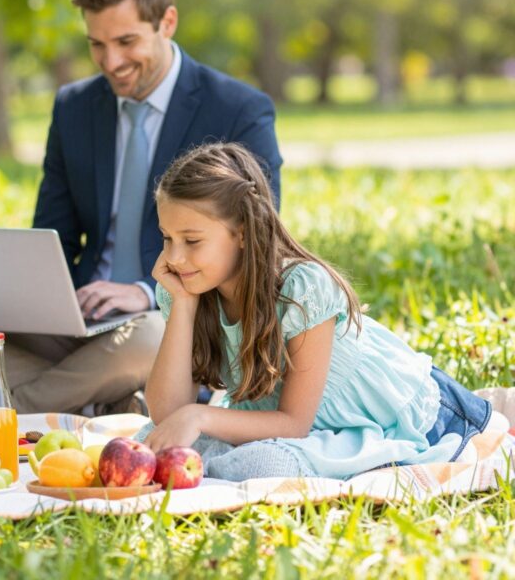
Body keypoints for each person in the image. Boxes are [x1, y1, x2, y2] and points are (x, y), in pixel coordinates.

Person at [0, 0, 282, 416]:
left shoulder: (238, 108)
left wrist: (147, 292)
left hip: (173, 317)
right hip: (83, 320)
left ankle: (5, 405)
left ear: (167, 22)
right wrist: (34, 299)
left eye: (126, 41)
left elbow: (255, 242)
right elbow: (54, 232)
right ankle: (104, 400)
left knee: (148, 336)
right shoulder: (74, 107)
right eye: (97, 45)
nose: (112, 62)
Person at [137, 142, 491, 480]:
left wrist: (199, 416)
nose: (174, 257)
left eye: (192, 241)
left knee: (260, 463)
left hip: (391, 419)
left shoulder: (302, 289)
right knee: (149, 438)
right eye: (167, 238)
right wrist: (183, 305)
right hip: (295, 429)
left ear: (242, 233)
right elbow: (167, 414)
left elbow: (293, 423)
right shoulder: (189, 291)